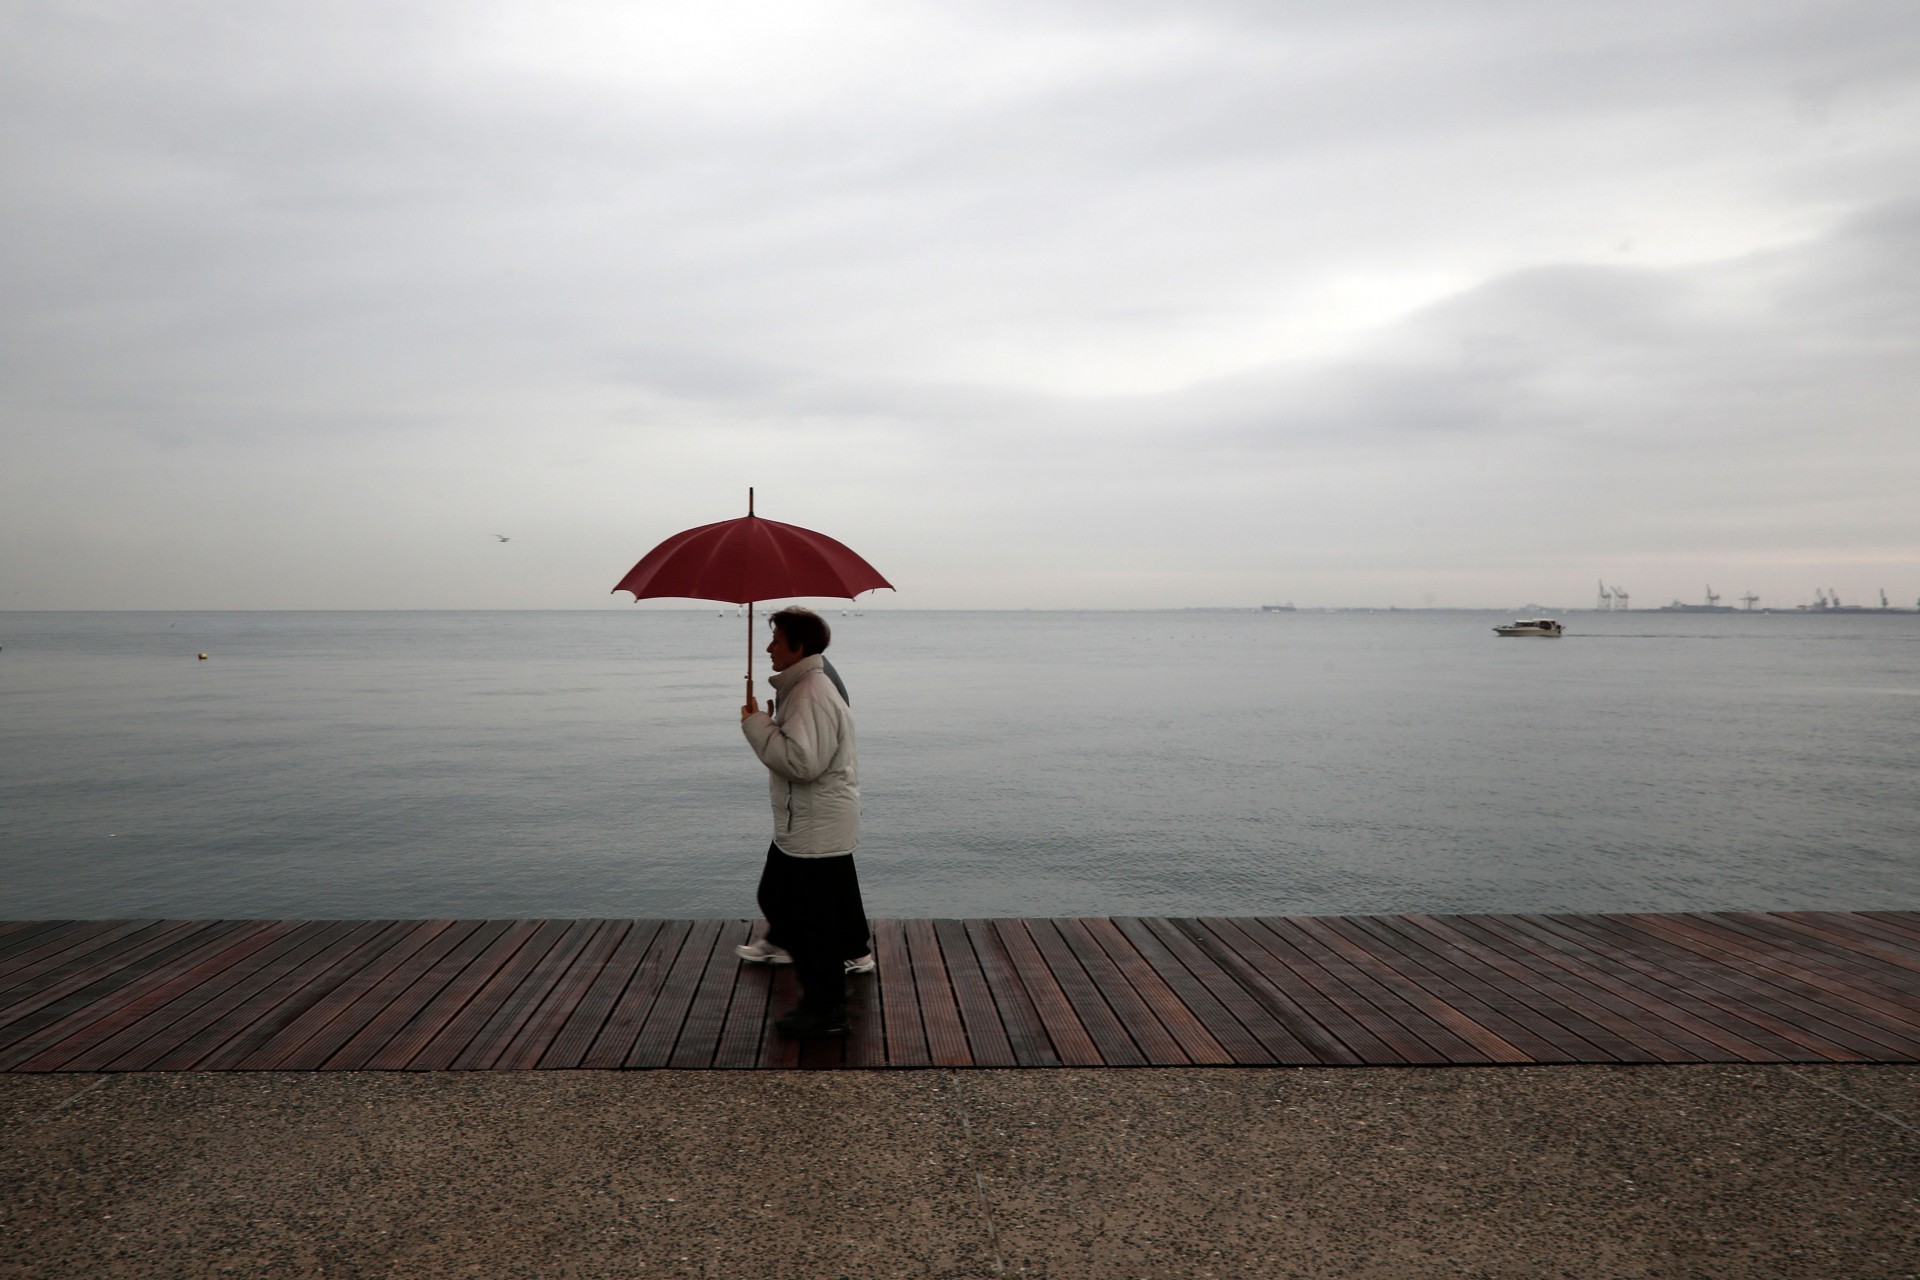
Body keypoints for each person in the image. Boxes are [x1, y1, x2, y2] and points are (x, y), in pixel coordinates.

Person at [737, 606, 872, 1037]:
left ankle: (826, 1008)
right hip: (808, 824)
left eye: (776, 639)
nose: (769, 646)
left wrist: (756, 725)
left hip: (815, 827)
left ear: (799, 647)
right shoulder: (805, 688)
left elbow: (803, 763)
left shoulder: (811, 691)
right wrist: (773, 721)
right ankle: (830, 988)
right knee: (781, 900)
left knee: (800, 916)